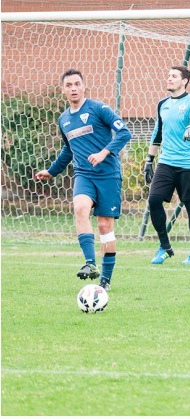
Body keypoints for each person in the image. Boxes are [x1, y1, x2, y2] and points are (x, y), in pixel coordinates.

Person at [35, 69, 132, 291]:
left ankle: (105, 280)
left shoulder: (99, 109)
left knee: (104, 226)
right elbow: (68, 151)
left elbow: (125, 133)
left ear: (84, 85)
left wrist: (104, 153)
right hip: (84, 175)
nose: (73, 88)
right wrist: (51, 171)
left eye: (77, 84)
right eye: (68, 85)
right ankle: (90, 263)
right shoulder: (64, 120)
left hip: (108, 175)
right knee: (80, 207)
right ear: (63, 90)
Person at [144, 65, 190, 265]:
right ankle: (165, 247)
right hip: (166, 163)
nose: (169, 78)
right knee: (154, 200)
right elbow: (157, 133)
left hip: (188, 164)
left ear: (184, 80)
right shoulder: (163, 104)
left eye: (174, 76)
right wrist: (149, 160)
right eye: (168, 75)